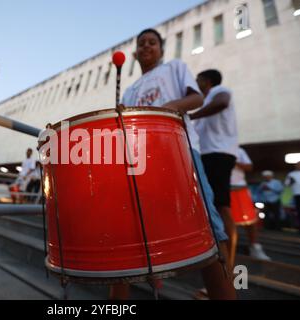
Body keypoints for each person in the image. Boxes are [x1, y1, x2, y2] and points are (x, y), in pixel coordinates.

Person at [112, 28, 236, 300]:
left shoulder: (174, 68)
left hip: (178, 149)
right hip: (140, 159)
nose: (146, 47)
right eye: (141, 43)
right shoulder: (130, 90)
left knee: (206, 227)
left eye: (152, 42)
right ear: (134, 53)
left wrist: (168, 107)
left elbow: (197, 99)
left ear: (161, 48)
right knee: (129, 231)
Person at [191, 69, 239, 273]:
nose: (195, 83)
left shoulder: (219, 91)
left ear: (207, 81)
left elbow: (223, 101)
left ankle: (229, 267)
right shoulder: (205, 101)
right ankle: (219, 262)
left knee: (221, 206)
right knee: (212, 205)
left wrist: (192, 114)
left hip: (219, 154)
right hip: (209, 155)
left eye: (198, 80)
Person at [231, 147, 270, 260]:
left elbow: (249, 166)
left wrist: (231, 160)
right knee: (223, 220)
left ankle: (254, 247)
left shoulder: (239, 150)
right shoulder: (205, 145)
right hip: (217, 187)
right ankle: (226, 249)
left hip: (239, 187)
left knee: (250, 218)